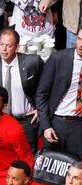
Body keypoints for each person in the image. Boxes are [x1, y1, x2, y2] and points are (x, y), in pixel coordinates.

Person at [0, 28, 43, 151]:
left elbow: (45, 87)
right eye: (1, 45)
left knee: (26, 160)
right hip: (0, 121)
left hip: (25, 122)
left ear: (17, 48)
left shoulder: (32, 62)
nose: (4, 49)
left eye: (8, 46)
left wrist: (40, 109)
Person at [36, 27, 82, 159]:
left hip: (78, 125)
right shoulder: (58, 59)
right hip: (57, 123)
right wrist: (46, 126)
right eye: (79, 39)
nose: (81, 44)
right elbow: (41, 94)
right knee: (51, 167)